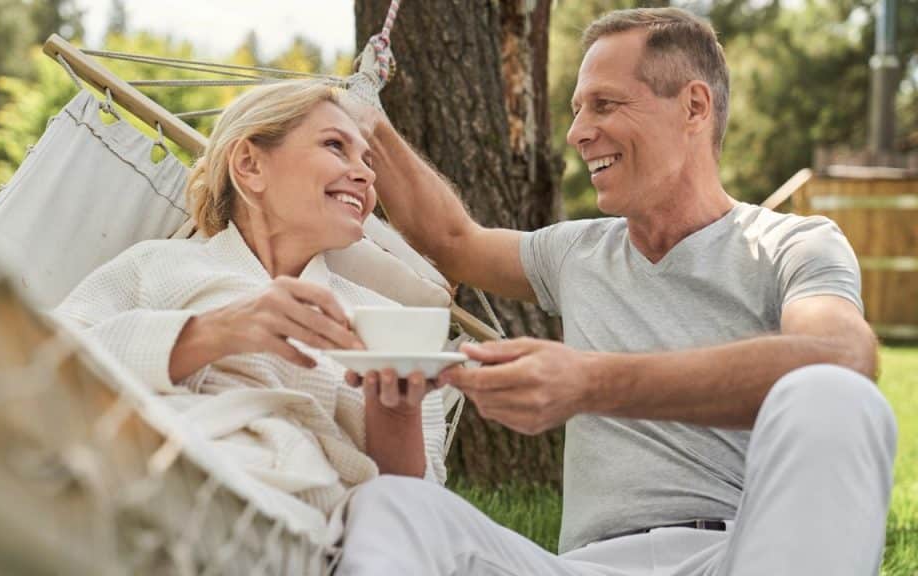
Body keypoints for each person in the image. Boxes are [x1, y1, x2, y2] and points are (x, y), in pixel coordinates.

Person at [336, 7, 897, 576]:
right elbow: (453, 240)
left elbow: (843, 356)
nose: (578, 132)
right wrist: (370, 125)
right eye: (578, 110)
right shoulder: (574, 252)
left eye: (605, 105)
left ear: (694, 107)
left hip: (740, 556)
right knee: (388, 507)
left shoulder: (791, 244)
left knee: (838, 397)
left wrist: (589, 383)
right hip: (586, 568)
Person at [54, 80, 447, 527]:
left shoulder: (391, 325)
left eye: (368, 160)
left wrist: (395, 412)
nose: (366, 174)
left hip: (299, 525)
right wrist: (213, 332)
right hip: (159, 471)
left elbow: (416, 509)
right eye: (336, 146)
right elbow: (44, 361)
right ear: (249, 165)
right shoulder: (157, 265)